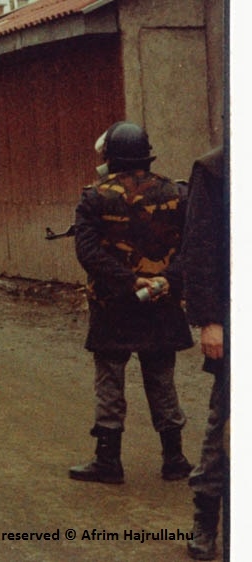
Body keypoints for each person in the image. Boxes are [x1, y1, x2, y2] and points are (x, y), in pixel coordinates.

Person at [69, 121, 193, 485]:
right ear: (145, 155)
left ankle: (108, 461)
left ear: (110, 156)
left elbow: (88, 252)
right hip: (162, 303)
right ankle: (174, 459)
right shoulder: (177, 193)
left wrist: (127, 281)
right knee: (162, 380)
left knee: (110, 381)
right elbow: (192, 247)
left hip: (112, 306)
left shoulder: (93, 197)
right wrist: (167, 280)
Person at [180, 145, 227, 560]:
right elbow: (199, 249)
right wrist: (210, 319)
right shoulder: (215, 168)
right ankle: (205, 520)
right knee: (225, 424)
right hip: (235, 318)